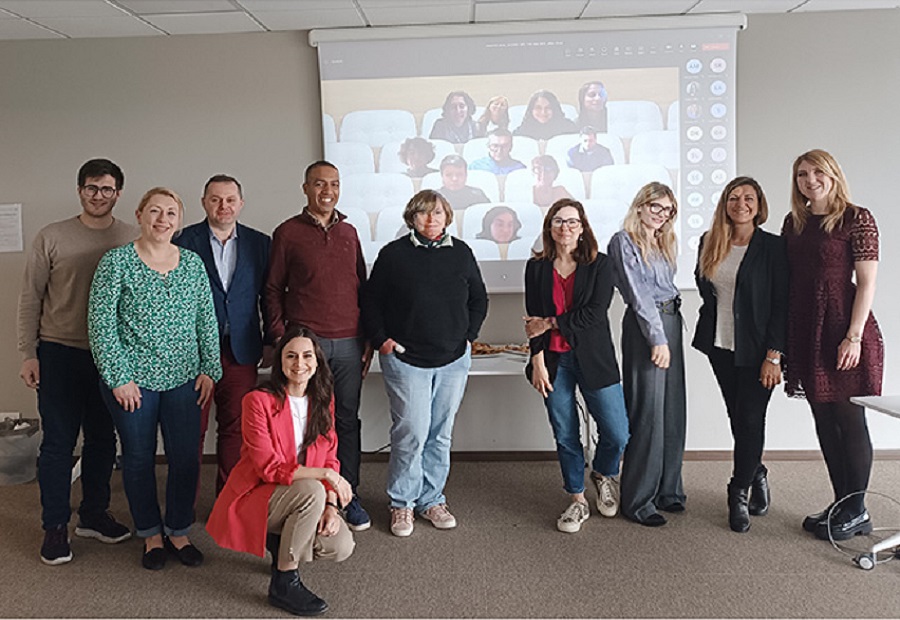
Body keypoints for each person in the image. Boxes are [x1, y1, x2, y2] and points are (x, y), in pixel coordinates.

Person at [88, 187, 222, 570]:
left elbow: (205, 320)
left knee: (185, 459)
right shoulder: (116, 263)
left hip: (184, 379)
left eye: (171, 214)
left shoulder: (193, 264)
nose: (163, 220)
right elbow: (101, 326)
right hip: (133, 383)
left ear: (179, 221)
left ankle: (178, 530)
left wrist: (210, 368)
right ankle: (150, 534)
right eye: (155, 212)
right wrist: (118, 378)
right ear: (140, 214)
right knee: (138, 458)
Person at [16, 158, 136, 565]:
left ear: (118, 193)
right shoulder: (52, 236)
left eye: (106, 189)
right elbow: (31, 296)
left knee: (104, 440)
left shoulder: (133, 238)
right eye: (91, 188)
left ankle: (94, 514)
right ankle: (54, 527)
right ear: (79, 190)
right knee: (58, 443)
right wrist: (27, 352)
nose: (98, 195)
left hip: (111, 356)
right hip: (58, 352)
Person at [361, 190, 488, 537]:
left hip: (452, 360)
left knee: (440, 435)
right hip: (405, 358)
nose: (431, 220)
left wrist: (469, 336)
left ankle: (431, 499)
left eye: (438, 214)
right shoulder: (393, 255)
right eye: (423, 214)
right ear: (411, 219)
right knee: (412, 433)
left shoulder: (461, 253)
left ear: (447, 217)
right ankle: (401, 504)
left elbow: (478, 298)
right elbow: (371, 301)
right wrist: (381, 340)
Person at [206, 326, 355, 617]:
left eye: (307, 355)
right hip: (256, 494)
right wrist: (324, 478)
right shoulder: (257, 401)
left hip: (301, 496)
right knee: (311, 489)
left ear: (317, 360)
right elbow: (268, 468)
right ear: (280, 362)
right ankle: (284, 581)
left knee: (340, 545)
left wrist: (331, 505)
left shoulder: (323, 401)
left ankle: (280, 540)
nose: (300, 363)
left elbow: (330, 457)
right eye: (291, 356)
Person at [264, 161, 372, 532]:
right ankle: (308, 497)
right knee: (309, 423)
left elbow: (361, 286)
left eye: (335, 184)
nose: (328, 190)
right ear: (306, 188)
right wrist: (280, 337)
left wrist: (367, 338)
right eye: (320, 184)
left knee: (346, 421)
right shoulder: (287, 233)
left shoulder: (349, 231)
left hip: (348, 342)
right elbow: (273, 288)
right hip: (306, 345)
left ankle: (347, 494)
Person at [782, 149, 884, 541]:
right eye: (802, 174)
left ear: (833, 174)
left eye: (817, 172)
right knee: (823, 420)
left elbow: (868, 282)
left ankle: (857, 508)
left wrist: (853, 336)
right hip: (807, 329)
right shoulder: (794, 223)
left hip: (845, 329)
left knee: (849, 420)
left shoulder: (858, 218)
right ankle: (843, 504)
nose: (810, 180)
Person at [523, 199, 629, 533]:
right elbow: (531, 321)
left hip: (594, 358)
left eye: (571, 221)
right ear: (549, 228)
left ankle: (603, 472)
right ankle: (577, 500)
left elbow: (593, 314)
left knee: (617, 431)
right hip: (554, 362)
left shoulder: (601, 265)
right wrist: (537, 361)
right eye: (557, 221)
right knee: (565, 433)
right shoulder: (536, 267)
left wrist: (550, 323)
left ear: (582, 228)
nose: (564, 227)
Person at [692, 177, 787, 533]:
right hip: (720, 346)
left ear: (759, 204)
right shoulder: (709, 242)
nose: (741, 204)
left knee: (750, 418)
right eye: (733, 197)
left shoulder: (774, 248)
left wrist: (774, 355)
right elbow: (707, 293)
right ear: (724, 204)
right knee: (738, 418)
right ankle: (757, 471)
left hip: (761, 352)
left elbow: (782, 305)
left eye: (748, 198)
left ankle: (738, 492)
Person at [174, 174, 271, 496]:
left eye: (230, 199)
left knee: (235, 428)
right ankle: (183, 504)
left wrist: (271, 339)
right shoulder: (182, 241)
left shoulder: (260, 243)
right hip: (193, 354)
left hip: (240, 351)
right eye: (215, 199)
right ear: (204, 203)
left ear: (241, 203)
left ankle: (227, 502)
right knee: (191, 430)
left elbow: (269, 296)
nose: (223, 206)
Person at [608, 182, 686, 527]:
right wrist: (657, 339)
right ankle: (639, 499)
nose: (662, 214)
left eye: (668, 209)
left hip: (671, 320)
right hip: (647, 328)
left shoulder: (663, 240)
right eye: (656, 206)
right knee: (647, 412)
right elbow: (638, 296)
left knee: (672, 409)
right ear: (640, 206)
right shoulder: (623, 241)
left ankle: (668, 489)